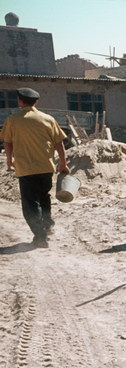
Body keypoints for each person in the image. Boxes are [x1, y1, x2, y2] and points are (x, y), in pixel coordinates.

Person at [2, 87, 70, 248]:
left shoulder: (13, 120)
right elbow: (59, 143)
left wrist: (9, 161)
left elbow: (7, 142)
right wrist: (63, 163)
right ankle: (48, 224)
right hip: (46, 167)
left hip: (26, 169)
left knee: (30, 205)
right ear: (36, 102)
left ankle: (40, 237)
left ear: (20, 101)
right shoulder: (48, 119)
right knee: (44, 197)